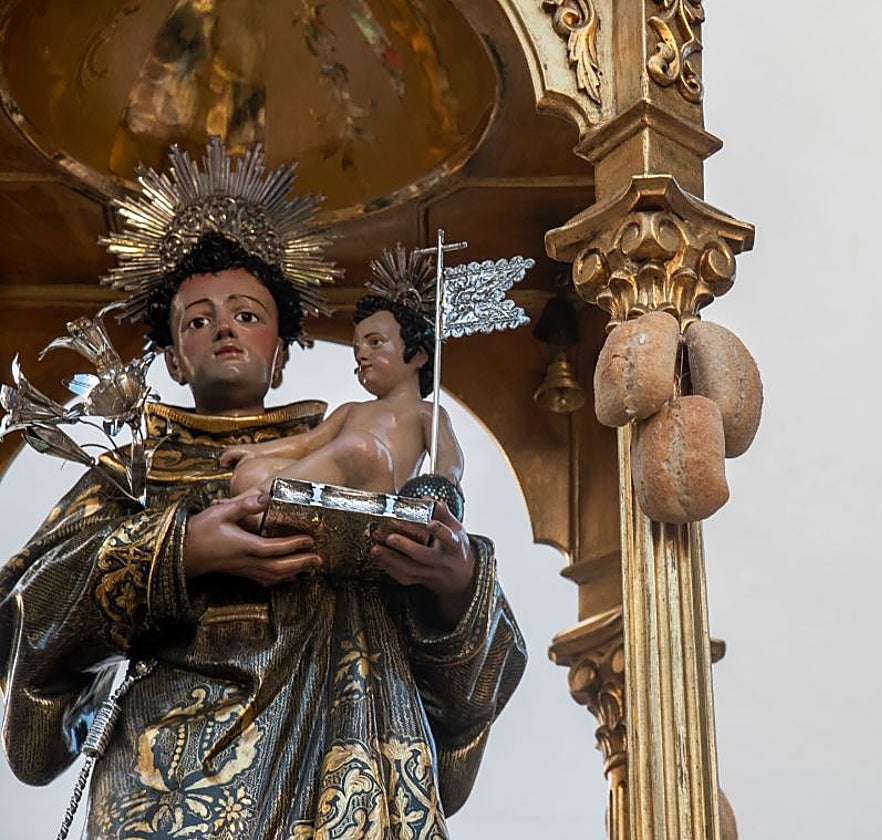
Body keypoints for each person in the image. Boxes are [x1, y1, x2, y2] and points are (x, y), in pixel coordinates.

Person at [0, 139, 526, 838]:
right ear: (170, 360)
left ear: (282, 353)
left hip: (344, 760)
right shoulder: (131, 474)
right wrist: (180, 551)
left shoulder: (356, 450)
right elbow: (30, 616)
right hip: (169, 779)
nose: (223, 328)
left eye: (247, 314)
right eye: (198, 319)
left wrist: (455, 582)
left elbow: (474, 678)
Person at [220, 276, 465, 502]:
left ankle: (251, 500)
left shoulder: (426, 413)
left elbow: (449, 459)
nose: (362, 355)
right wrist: (255, 451)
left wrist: (442, 486)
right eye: (357, 348)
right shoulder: (351, 411)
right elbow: (307, 444)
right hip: (340, 496)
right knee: (249, 473)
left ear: (418, 355)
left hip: (384, 499)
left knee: (359, 447)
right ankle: (261, 498)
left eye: (375, 343)